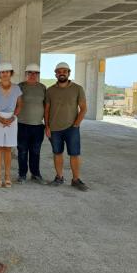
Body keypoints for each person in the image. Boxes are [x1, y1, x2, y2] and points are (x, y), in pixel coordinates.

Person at [45, 62, 88, 191]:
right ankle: (59, 177)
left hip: (72, 129)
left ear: (69, 73)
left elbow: (84, 108)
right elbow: (46, 110)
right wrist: (47, 127)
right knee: (57, 153)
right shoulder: (50, 90)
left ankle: (75, 180)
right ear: (56, 74)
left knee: (74, 154)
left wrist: (76, 125)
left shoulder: (77, 89)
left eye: (64, 71)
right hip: (54, 129)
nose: (61, 73)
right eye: (59, 71)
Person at [0, 62, 22, 188]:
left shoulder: (17, 88)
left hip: (11, 120)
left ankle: (7, 176)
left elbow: (19, 105)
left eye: (7, 72)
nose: (5, 74)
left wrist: (13, 118)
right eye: (2, 72)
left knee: (8, 149)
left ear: (11, 73)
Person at [16, 63, 47, 185]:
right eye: (30, 73)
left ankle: (35, 174)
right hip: (22, 125)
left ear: (38, 75)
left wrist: (47, 124)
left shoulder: (43, 88)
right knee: (22, 151)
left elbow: (46, 106)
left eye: (36, 73)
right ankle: (22, 174)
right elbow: (14, 104)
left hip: (38, 126)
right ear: (26, 74)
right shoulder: (20, 87)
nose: (33, 75)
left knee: (35, 151)